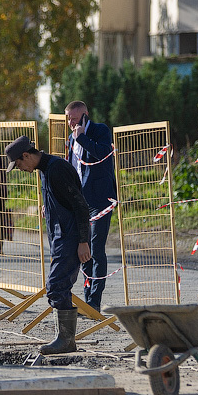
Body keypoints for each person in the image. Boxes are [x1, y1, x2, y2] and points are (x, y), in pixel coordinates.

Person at [5, 135, 92, 354]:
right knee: (58, 286)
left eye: (19, 164)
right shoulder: (45, 170)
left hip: (71, 238)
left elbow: (81, 206)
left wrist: (83, 241)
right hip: (60, 237)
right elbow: (62, 200)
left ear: (26, 155)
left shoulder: (57, 169)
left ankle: (66, 341)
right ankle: (64, 339)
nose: (21, 169)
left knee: (56, 286)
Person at [64, 100, 117, 312]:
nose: (71, 123)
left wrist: (83, 138)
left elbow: (102, 155)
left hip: (100, 201)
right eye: (68, 119)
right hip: (81, 203)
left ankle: (95, 300)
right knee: (83, 249)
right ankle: (88, 299)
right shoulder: (71, 138)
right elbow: (70, 170)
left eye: (74, 119)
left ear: (85, 115)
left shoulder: (99, 131)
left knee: (96, 248)